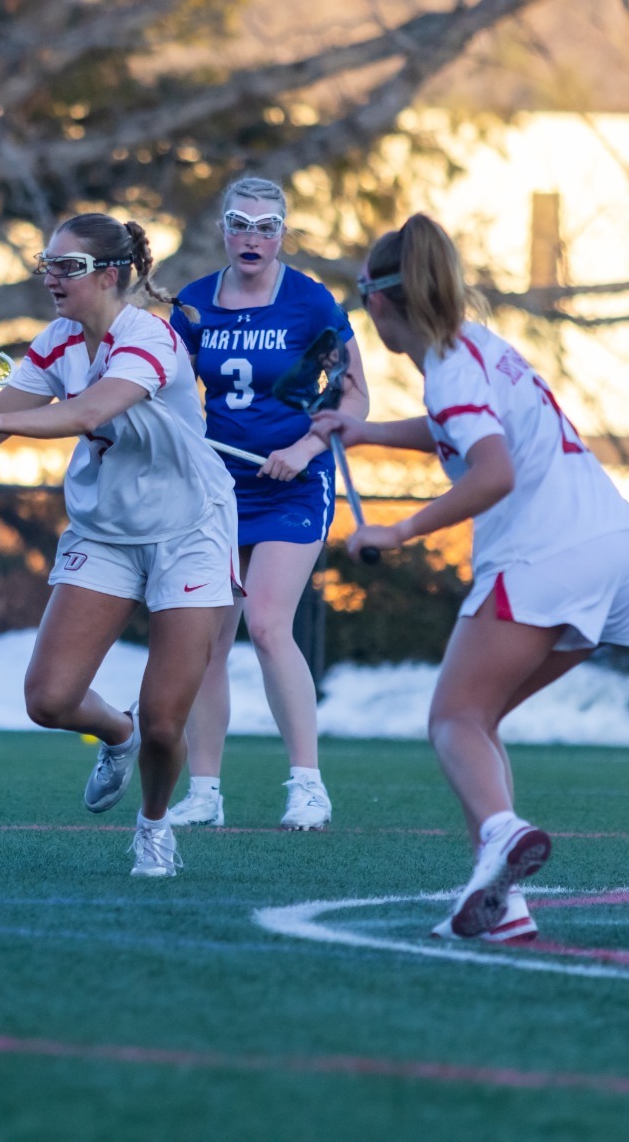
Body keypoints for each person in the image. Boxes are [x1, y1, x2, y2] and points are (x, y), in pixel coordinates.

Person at [312, 214, 629, 941]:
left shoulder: (450, 366)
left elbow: (494, 470)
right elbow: (454, 426)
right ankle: (505, 905)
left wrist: (400, 530)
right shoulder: (474, 349)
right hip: (615, 551)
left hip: (547, 553)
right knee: (478, 719)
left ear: (376, 304)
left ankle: (503, 833)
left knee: (451, 718)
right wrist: (366, 431)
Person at [0, 213, 237, 878]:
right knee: (48, 699)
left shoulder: (149, 337)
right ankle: (117, 731)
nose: (51, 277)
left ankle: (154, 825)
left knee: (168, 722)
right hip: (106, 530)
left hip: (189, 531)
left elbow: (86, 413)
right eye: (46, 263)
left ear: (109, 275)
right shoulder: (57, 341)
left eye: (66, 267)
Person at [167, 177, 369, 831]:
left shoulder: (312, 304)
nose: (251, 237)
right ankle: (204, 792)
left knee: (267, 621)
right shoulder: (194, 305)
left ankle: (308, 785)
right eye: (239, 223)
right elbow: (163, 387)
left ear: (283, 232)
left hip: (292, 483)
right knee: (207, 639)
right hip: (216, 486)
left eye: (265, 225)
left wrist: (309, 449)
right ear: (223, 229)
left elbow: (354, 396)